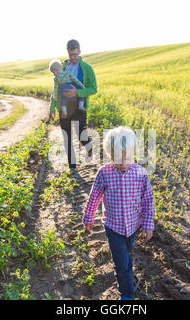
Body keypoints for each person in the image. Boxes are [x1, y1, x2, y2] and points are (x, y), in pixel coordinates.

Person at [82, 126, 156, 300]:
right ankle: (127, 295)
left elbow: (147, 200)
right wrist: (88, 216)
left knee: (129, 248)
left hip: (133, 225)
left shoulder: (140, 174)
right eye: (117, 159)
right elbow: (95, 196)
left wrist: (147, 224)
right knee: (121, 264)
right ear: (109, 155)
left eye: (127, 158)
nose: (123, 164)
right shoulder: (104, 173)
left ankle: (128, 254)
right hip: (113, 227)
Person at [49, 39, 97, 169]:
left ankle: (88, 146)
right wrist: (52, 108)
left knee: (81, 134)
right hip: (64, 107)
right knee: (66, 136)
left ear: (79, 52)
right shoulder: (61, 67)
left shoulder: (87, 68)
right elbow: (55, 90)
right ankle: (72, 167)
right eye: (71, 55)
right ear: (67, 52)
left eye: (75, 54)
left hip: (79, 106)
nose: (73, 57)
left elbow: (93, 88)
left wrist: (78, 92)